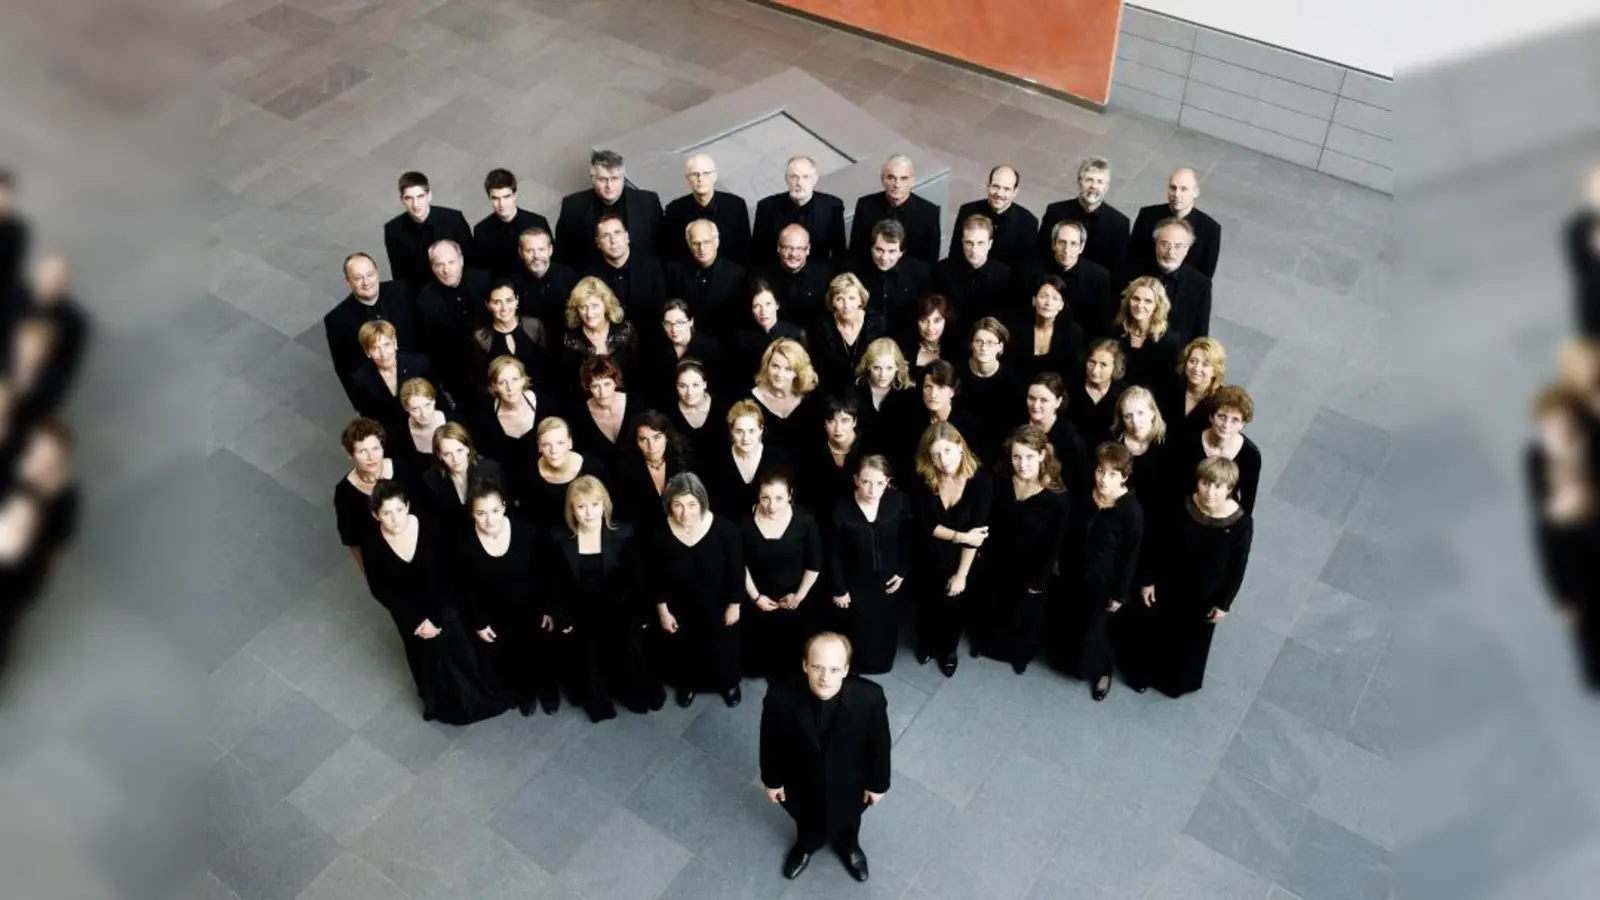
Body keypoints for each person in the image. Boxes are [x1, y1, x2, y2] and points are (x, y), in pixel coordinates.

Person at [361, 479, 509, 725]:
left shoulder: (431, 527)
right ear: (376, 515)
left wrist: (436, 618)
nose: (395, 518)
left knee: (461, 653)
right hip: (411, 615)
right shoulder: (372, 542)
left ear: (407, 506)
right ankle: (444, 704)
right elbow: (381, 588)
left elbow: (452, 575)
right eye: (387, 513)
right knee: (428, 659)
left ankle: (478, 700)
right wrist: (416, 621)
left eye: (399, 509)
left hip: (444, 604)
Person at [760, 632, 891, 882]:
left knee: (849, 817)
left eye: (833, 669)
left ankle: (848, 844)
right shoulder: (780, 697)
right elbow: (770, 742)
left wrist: (878, 784)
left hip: (851, 781)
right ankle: (807, 845)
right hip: (800, 779)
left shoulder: (870, 698)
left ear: (846, 669)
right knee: (805, 818)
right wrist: (772, 780)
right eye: (817, 667)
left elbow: (880, 744)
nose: (824, 678)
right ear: (804, 666)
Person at [1129, 457, 1253, 697]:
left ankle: (1176, 682)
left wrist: (1224, 603)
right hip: (1169, 582)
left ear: (1229, 489)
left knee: (1190, 640)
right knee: (1155, 630)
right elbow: (1156, 543)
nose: (1210, 492)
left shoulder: (1241, 523)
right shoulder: (1181, 505)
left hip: (1205, 593)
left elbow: (1238, 566)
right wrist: (1148, 579)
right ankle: (1144, 674)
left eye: (1218, 487)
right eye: (1206, 483)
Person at [550, 475, 666, 721]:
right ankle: (600, 700)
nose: (589, 513)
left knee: (630, 643)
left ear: (604, 505)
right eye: (581, 507)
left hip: (619, 606)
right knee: (588, 650)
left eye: (594, 505)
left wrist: (636, 612)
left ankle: (635, 692)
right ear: (572, 510)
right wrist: (563, 617)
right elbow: (557, 585)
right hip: (582, 610)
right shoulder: (560, 540)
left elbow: (637, 579)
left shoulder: (623, 533)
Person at [456, 479, 561, 716]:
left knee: (541, 650)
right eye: (481, 513)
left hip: (531, 607)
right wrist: (479, 622)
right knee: (509, 656)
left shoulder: (527, 532)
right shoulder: (465, 546)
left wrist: (548, 607)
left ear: (504, 506)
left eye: (494, 510)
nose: (489, 519)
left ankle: (547, 689)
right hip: (495, 614)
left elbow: (546, 573)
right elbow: (466, 589)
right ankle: (525, 692)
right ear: (472, 513)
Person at [972, 425, 1071, 673]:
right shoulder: (1001, 479)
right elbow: (988, 516)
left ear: (1041, 455)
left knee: (1024, 613)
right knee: (991, 603)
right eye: (1017, 456)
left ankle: (1019, 655)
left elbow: (1053, 543)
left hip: (1031, 565)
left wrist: (1038, 578)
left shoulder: (1056, 496)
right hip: (998, 556)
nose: (1022, 463)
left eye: (1029, 457)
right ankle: (985, 644)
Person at [651, 472, 746, 708]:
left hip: (719, 604)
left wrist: (735, 604)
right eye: (678, 505)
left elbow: (736, 570)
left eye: (692, 504)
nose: (686, 513)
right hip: (679, 606)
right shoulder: (659, 534)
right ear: (669, 506)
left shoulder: (726, 530)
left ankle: (728, 684)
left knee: (723, 648)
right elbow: (654, 576)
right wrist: (663, 611)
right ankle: (688, 684)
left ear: (702, 502)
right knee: (685, 650)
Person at [1528, 385, 1600, 687]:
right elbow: (1543, 524)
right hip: (1570, 551)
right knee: (1586, 622)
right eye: (1551, 424)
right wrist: (1560, 596)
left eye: (1565, 422)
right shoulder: (1536, 458)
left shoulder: (1595, 446)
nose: (1559, 430)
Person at [910, 421, 991, 677]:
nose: (942, 460)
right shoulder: (925, 478)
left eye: (947, 451)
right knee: (927, 604)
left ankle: (948, 650)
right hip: (927, 553)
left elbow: (977, 535)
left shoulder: (980, 481)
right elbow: (925, 525)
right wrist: (958, 535)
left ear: (960, 446)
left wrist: (962, 575)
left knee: (953, 608)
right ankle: (926, 644)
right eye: (935, 454)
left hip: (961, 560)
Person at [1067, 443, 1146, 701]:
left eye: (1112, 474)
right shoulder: (1084, 496)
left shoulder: (1130, 511)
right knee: (1074, 620)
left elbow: (1130, 556)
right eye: (1101, 471)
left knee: (1096, 631)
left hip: (1105, 581)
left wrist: (1120, 594)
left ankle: (1103, 671)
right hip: (1076, 570)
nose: (1104, 479)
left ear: (1124, 477)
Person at [825, 455, 911, 674]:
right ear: (856, 480)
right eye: (866, 482)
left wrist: (902, 572)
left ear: (888, 482)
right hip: (856, 583)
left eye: (880, 483)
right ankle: (856, 666)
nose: (873, 490)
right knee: (859, 627)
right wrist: (839, 589)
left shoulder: (897, 501)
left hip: (888, 581)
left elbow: (906, 538)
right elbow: (832, 552)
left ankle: (882, 663)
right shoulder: (841, 509)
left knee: (886, 626)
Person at [741, 471, 824, 678]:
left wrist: (799, 596)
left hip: (796, 595)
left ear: (790, 495)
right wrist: (756, 598)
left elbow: (814, 564)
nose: (772, 506)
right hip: (759, 597)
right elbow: (740, 565)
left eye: (779, 498)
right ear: (758, 497)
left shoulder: (805, 520)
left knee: (795, 644)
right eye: (765, 498)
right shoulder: (744, 524)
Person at [325, 252, 419, 410]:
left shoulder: (402, 290)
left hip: (417, 380)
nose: (366, 282)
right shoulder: (336, 320)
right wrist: (362, 406)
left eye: (370, 275)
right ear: (348, 281)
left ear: (377, 273)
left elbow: (421, 334)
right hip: (380, 397)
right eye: (358, 278)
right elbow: (344, 368)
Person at [555, 149, 664, 269]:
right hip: (591, 281)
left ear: (623, 177)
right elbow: (562, 255)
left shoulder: (648, 201)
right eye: (602, 179)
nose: (609, 186)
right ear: (592, 178)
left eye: (615, 178)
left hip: (643, 279)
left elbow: (663, 247)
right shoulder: (573, 206)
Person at [334, 417, 415, 573]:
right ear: (351, 455)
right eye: (363, 451)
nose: (371, 457)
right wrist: (371, 576)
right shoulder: (345, 493)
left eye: (375, 448)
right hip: (387, 564)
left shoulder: (404, 470)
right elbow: (353, 540)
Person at [414, 238, 492, 395]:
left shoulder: (483, 280)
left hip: (493, 362)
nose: (446, 270)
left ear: (461, 260)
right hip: (458, 374)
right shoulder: (425, 300)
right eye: (439, 265)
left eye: (451, 262)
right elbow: (431, 347)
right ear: (432, 267)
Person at [1123, 218, 1213, 345]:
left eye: (1178, 246)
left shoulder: (1200, 284)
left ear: (1187, 249)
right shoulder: (1133, 271)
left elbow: (1200, 333)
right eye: (1165, 244)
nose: (1171, 252)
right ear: (1156, 244)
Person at [1021, 219, 1114, 340]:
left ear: (1081, 247)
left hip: (1082, 344)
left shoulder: (1099, 277)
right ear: (1053, 244)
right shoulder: (1029, 272)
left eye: (1073, 244)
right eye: (1062, 242)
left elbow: (1102, 324)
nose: (1066, 250)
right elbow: (1021, 316)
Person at [1036, 156, 1130, 275]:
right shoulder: (1055, 212)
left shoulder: (1119, 223)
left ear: (1106, 188)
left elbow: (1118, 269)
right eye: (1089, 180)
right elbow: (1040, 253)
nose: (1093, 186)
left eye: (1099, 182)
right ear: (1079, 182)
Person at [1176, 384, 1262, 514]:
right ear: (1211, 417)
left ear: (1242, 425)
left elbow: (1247, 503)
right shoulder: (1189, 441)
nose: (1226, 425)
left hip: (1222, 514)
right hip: (1184, 509)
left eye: (1235, 420)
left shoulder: (1251, 455)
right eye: (1222, 416)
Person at [752, 155, 848, 270]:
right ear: (786, 179)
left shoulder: (833, 207)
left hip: (819, 278)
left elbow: (839, 253)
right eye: (794, 177)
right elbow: (758, 254)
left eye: (805, 177)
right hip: (777, 277)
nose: (799, 183)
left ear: (815, 179)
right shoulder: (767, 207)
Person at [383, 170, 474, 290]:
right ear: (402, 200)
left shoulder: (454, 219)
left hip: (458, 288)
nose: (416, 205)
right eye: (409, 198)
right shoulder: (393, 230)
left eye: (420, 196)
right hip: (421, 294)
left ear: (429, 195)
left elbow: (471, 260)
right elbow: (399, 273)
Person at [474, 355, 546, 506]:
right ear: (494, 386)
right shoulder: (485, 416)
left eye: (515, 379)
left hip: (548, 481)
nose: (510, 388)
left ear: (523, 379)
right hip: (512, 491)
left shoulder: (545, 403)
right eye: (502, 382)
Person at [349, 320, 442, 434]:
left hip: (430, 426)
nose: (383, 353)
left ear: (395, 343)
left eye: (387, 344)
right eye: (375, 348)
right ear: (367, 352)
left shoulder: (419, 364)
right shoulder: (361, 379)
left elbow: (439, 399)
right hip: (392, 435)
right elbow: (370, 417)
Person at [1128, 167, 1221, 279]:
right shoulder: (1147, 215)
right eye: (1173, 188)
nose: (1177, 194)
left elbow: (1204, 277)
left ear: (1196, 192)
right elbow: (1133, 257)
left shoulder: (1210, 230)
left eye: (1184, 189)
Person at [957, 317, 1027, 464]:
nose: (983, 347)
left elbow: (1017, 424)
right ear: (971, 344)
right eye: (979, 341)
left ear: (1000, 347)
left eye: (990, 342)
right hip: (961, 449)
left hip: (1000, 451)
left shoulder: (1012, 380)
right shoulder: (958, 374)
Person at [662, 153, 753, 266]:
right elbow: (670, 255)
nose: (700, 179)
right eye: (695, 174)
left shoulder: (736, 206)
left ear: (714, 176)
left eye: (706, 173)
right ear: (688, 179)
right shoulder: (674, 210)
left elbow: (745, 252)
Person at [705, 399, 791, 517]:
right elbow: (713, 504)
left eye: (751, 431)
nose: (746, 438)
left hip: (767, 522)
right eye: (739, 431)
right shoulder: (718, 459)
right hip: (729, 525)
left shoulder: (777, 457)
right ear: (731, 431)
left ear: (760, 430)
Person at [614, 409, 696, 532]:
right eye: (643, 440)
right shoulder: (625, 467)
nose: (651, 446)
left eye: (657, 437)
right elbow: (625, 514)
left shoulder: (684, 459)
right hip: (643, 533)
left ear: (667, 437)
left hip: (683, 528)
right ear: (636, 442)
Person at [849, 154, 941, 265]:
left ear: (912, 181)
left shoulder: (929, 213)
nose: (897, 185)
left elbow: (930, 261)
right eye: (891, 178)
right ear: (882, 180)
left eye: (903, 178)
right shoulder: (865, 206)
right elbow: (855, 252)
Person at [524, 417, 608, 534]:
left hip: (588, 532)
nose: (554, 450)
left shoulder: (593, 467)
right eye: (546, 445)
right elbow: (529, 516)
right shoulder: (530, 473)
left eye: (560, 443)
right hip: (547, 537)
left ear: (570, 443)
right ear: (539, 446)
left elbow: (606, 507)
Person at [421, 421, 507, 535]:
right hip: (453, 537)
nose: (456, 459)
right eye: (447, 454)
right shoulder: (431, 479)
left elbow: (504, 510)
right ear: (439, 455)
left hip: (488, 533)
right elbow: (435, 520)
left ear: (468, 448)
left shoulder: (490, 470)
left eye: (459, 450)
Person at [559, 275, 638, 399]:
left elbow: (637, 374)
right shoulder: (570, 340)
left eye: (595, 306)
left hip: (627, 399)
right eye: (583, 307)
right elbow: (570, 385)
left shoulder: (625, 331)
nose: (589, 313)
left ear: (606, 305)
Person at [666, 218, 747, 336]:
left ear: (716, 242)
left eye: (706, 242)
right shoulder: (674, 273)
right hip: (688, 341)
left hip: (725, 343)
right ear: (689, 244)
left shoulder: (737, 274)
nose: (701, 248)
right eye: (696, 243)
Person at [810, 272, 887, 392]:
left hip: (870, 387)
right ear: (832, 302)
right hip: (832, 389)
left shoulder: (877, 323)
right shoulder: (821, 326)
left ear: (861, 300)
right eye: (839, 299)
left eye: (852, 298)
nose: (846, 305)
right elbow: (819, 368)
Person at [947, 165, 1037, 267]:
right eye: (995, 186)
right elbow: (955, 253)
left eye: (1006, 189)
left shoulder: (1028, 222)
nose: (999, 193)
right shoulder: (967, 211)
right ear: (988, 186)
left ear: (1015, 192)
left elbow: (1025, 266)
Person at [583, 213, 668, 319]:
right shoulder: (590, 275)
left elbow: (662, 309)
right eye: (605, 236)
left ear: (627, 237)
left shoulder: (652, 267)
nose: (613, 241)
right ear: (598, 243)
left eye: (617, 233)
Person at [935, 214, 1014, 326]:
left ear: (990, 244)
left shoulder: (1004, 275)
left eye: (980, 243)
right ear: (962, 242)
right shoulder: (942, 271)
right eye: (969, 243)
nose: (974, 250)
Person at [473, 168, 551, 280]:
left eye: (506, 196)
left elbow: (550, 259)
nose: (502, 204)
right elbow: (482, 269)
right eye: (495, 198)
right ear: (489, 198)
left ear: (515, 195)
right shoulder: (481, 230)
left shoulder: (537, 222)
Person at [848, 219, 929, 327]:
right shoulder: (853, 271)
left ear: (901, 253)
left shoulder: (920, 273)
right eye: (879, 250)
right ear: (871, 248)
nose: (884, 258)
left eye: (892, 251)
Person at [727, 277, 806, 386]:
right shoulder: (741, 338)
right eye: (757, 306)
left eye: (768, 304)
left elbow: (803, 372)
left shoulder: (796, 333)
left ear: (777, 305)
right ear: (751, 309)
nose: (763, 311)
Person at [472, 279, 548, 391]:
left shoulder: (534, 325)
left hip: (538, 392)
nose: (504, 308)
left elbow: (547, 365)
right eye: (497, 302)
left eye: (509, 300)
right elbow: (483, 379)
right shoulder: (480, 336)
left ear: (517, 301)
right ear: (488, 305)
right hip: (502, 397)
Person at [749, 337, 821, 451]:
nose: (779, 374)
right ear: (767, 366)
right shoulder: (750, 402)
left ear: (798, 372)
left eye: (788, 369)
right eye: (775, 366)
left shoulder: (810, 401)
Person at [1012, 274, 1085, 383]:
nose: (1048, 303)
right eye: (1043, 296)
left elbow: (1071, 373)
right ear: (1034, 300)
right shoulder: (1015, 327)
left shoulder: (1073, 332)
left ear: (1061, 305)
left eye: (1055, 298)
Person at [761, 223, 834, 330]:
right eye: (788, 248)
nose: (793, 254)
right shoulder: (762, 276)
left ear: (808, 249)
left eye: (800, 248)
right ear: (778, 247)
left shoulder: (826, 275)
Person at [1027, 372, 1090, 494]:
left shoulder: (1070, 437)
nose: (1035, 405)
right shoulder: (1015, 426)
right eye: (1031, 398)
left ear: (1058, 402)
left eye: (1044, 400)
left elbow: (1078, 482)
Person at [853, 338, 917, 458]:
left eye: (889, 368)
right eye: (877, 368)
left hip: (897, 460)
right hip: (861, 459)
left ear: (898, 367)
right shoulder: (854, 391)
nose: (883, 375)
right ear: (868, 366)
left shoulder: (909, 395)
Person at [1116, 385, 1177, 510]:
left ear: (1152, 413)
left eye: (1140, 413)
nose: (1135, 422)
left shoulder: (1170, 442)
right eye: (1128, 416)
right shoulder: (1114, 440)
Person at [1114, 276, 1181, 389]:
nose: (1140, 305)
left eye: (1148, 301)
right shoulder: (1115, 331)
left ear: (1157, 306)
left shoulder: (1169, 341)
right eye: (1136, 298)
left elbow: (1167, 386)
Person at [569, 356, 632, 474]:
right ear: (588, 388)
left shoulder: (636, 405)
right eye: (595, 386)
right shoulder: (580, 414)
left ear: (616, 383)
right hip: (601, 476)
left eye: (607, 384)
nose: (602, 392)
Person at [1158, 336, 1226, 441]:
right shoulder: (1171, 385)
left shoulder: (1222, 401)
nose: (1197, 368)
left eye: (1205, 364)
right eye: (1193, 361)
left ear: (1215, 370)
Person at [511, 226, 580, 326]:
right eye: (530, 251)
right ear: (520, 253)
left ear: (550, 250)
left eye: (541, 250)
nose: (536, 256)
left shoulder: (570, 278)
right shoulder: (512, 285)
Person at [667, 358, 729, 469]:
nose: (689, 392)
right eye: (682, 386)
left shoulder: (723, 408)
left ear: (705, 384)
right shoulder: (669, 414)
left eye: (695, 385)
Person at [1068, 339, 1128, 448]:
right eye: (1092, 362)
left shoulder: (1124, 392)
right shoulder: (1071, 389)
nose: (1095, 370)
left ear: (1115, 366)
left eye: (1103, 365)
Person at [900, 293, 957, 385]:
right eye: (924, 320)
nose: (930, 327)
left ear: (946, 321)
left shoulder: (956, 351)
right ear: (917, 321)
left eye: (937, 320)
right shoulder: (904, 348)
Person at [398, 377, 450, 472]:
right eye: (415, 409)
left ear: (434, 401)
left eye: (427, 405)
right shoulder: (401, 435)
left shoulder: (454, 421)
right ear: (406, 408)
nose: (424, 414)